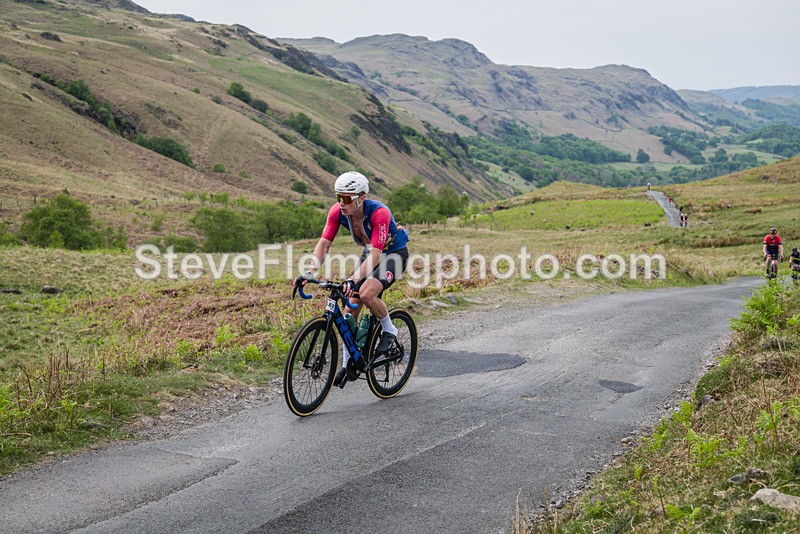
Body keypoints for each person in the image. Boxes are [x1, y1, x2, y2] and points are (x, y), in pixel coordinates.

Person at [295, 171, 410, 388]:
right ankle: (349, 364)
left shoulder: (379, 213)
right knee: (349, 313)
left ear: (361, 197)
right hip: (371, 252)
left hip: (393, 254)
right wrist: (310, 272)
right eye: (338, 197)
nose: (341, 202)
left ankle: (389, 328)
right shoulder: (338, 212)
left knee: (366, 293)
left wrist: (352, 279)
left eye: (347, 198)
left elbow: (377, 254)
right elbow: (324, 243)